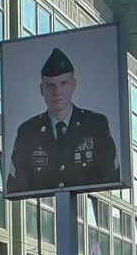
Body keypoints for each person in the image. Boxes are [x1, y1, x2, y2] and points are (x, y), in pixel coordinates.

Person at [8, 48, 119, 195]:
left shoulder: (95, 125)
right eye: (50, 85)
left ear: (74, 85)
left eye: (63, 83)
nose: (57, 92)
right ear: (42, 90)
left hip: (85, 210)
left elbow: (111, 178)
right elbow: (16, 188)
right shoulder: (28, 132)